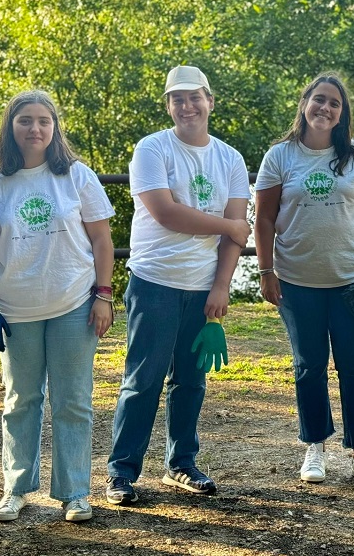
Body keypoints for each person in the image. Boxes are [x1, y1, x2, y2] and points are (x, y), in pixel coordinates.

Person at [105, 65, 250, 504]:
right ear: (168, 106)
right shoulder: (151, 149)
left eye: (194, 97)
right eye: (177, 99)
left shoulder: (231, 158)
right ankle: (121, 472)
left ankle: (181, 464)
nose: (187, 106)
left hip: (202, 286)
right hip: (155, 283)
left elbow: (236, 236)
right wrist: (228, 223)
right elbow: (167, 213)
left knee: (191, 380)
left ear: (209, 100)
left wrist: (222, 285)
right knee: (143, 379)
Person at [0, 91, 115, 523]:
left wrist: (104, 295)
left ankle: (74, 492)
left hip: (74, 302)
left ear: (54, 128)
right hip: (16, 309)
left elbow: (102, 240)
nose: (35, 129)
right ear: (9, 127)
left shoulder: (76, 176)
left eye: (43, 121)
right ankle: (16, 488)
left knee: (73, 400)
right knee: (21, 399)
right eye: (25, 121)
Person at [254, 73, 354, 491]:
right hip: (297, 281)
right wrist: (266, 270)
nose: (325, 108)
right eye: (319, 100)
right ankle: (314, 444)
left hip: (353, 280)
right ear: (305, 103)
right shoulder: (280, 156)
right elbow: (262, 218)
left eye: (334, 103)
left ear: (341, 113)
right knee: (309, 366)